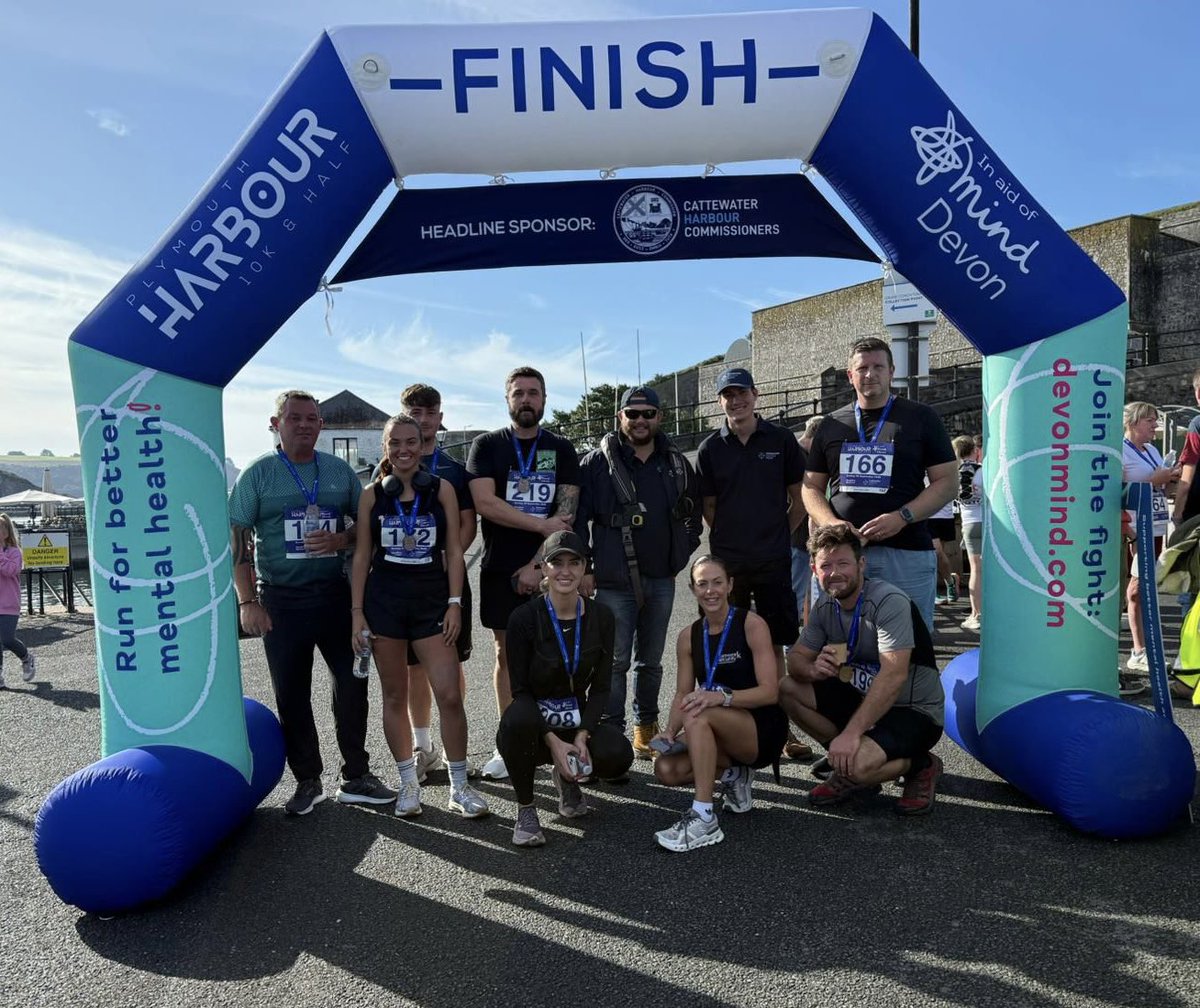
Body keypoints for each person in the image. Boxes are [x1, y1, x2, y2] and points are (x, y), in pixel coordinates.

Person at [229, 391, 395, 816]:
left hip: (335, 596)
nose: (304, 425)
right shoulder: (258, 475)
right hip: (281, 600)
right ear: (275, 423)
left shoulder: (339, 473)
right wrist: (247, 601)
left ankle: (356, 774)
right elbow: (237, 540)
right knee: (292, 693)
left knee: (353, 684)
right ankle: (307, 780)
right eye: (294, 418)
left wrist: (341, 538)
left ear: (321, 425)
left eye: (312, 419)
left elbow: (366, 528)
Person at [350, 414, 489, 818]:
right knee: (394, 695)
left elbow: (454, 551)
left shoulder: (442, 489)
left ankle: (459, 787)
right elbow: (362, 556)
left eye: (411, 442)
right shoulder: (371, 495)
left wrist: (454, 603)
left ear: (422, 444)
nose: (404, 450)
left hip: (432, 602)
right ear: (385, 449)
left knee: (448, 694)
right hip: (385, 604)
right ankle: (408, 783)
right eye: (396, 443)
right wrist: (357, 613)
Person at [781, 524, 945, 816]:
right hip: (864, 701)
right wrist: (812, 668)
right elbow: (795, 660)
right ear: (814, 568)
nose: (834, 572)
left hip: (911, 710)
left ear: (861, 564)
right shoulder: (824, 605)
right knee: (787, 688)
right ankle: (847, 761)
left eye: (843, 563)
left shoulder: (887, 601)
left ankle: (921, 765)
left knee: (859, 766)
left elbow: (893, 674)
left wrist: (851, 733)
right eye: (826, 565)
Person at [574, 385, 702, 758]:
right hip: (613, 580)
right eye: (633, 414)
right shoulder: (596, 464)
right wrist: (586, 568)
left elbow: (692, 514)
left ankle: (645, 725)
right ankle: (611, 732)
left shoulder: (676, 462)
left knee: (651, 661)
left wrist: (681, 553)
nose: (641, 420)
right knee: (613, 662)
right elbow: (579, 520)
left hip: (661, 577)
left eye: (648, 414)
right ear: (620, 417)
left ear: (659, 417)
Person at [468, 367, 580, 780]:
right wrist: (538, 527)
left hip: (551, 568)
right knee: (506, 655)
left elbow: (565, 512)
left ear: (545, 399)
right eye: (519, 393)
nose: (526, 399)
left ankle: (557, 739)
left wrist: (537, 566)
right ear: (507, 400)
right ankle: (511, 740)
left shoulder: (561, 448)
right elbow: (485, 503)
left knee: (557, 654)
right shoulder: (487, 446)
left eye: (534, 393)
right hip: (500, 568)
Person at [802, 336, 957, 634]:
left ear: (891, 371)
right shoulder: (831, 424)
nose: (869, 374)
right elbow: (810, 488)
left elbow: (947, 483)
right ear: (850, 375)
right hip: (841, 554)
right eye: (861, 368)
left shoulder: (921, 417)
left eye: (877, 366)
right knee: (837, 643)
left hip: (905, 552)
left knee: (907, 646)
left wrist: (903, 517)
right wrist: (832, 523)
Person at [696, 366, 807, 758]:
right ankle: (738, 726)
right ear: (720, 401)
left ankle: (782, 730)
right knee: (729, 642)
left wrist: (778, 532)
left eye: (741, 392)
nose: (735, 400)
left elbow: (799, 495)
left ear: (755, 395)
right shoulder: (711, 449)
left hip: (773, 559)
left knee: (773, 644)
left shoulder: (780, 439)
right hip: (729, 566)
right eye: (728, 394)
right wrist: (731, 539)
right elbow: (709, 506)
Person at [497, 531, 633, 846]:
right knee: (515, 723)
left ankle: (566, 777)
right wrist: (555, 744)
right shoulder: (524, 618)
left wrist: (583, 735)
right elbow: (520, 692)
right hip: (534, 717)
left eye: (575, 562)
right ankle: (526, 808)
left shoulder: (601, 616)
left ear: (585, 567)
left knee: (617, 752)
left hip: (574, 713)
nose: (566, 571)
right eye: (556, 563)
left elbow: (600, 689)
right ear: (543, 568)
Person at [651, 555, 787, 852]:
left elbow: (770, 692)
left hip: (760, 728)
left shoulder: (751, 624)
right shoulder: (688, 636)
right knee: (666, 769)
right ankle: (733, 775)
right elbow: (681, 694)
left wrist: (722, 698)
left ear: (730, 586)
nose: (710, 591)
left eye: (717, 583)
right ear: (693, 589)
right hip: (717, 725)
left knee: (699, 713)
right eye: (702, 584)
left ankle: (704, 817)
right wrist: (670, 731)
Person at [397, 383, 478, 782]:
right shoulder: (386, 473)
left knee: (452, 664)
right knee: (413, 669)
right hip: (405, 585)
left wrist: (447, 557)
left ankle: (452, 747)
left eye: (430, 413)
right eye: (415, 412)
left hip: (447, 581)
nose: (423, 420)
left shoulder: (454, 470)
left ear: (440, 418)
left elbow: (467, 525)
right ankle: (423, 745)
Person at [1121, 402, 1180, 689]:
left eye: (1156, 421)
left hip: (1156, 524)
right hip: (1134, 526)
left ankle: (1142, 647)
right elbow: (1117, 488)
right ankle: (1138, 650)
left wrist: (1169, 478)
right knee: (1137, 588)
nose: (1155, 426)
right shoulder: (1119, 450)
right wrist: (1154, 479)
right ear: (1133, 423)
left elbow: (1159, 484)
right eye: (1150, 421)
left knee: (1143, 587)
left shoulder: (1153, 450)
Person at [1171, 367, 1200, 619]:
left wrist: (1178, 513)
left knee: (1190, 581)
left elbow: (1187, 476)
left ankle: (1189, 650)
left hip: (1196, 516)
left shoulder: (1197, 424)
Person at [790, 416, 824, 628]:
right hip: (800, 535)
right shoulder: (802, 457)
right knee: (797, 589)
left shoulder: (795, 452)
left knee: (803, 589)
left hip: (799, 535)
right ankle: (792, 644)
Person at [954, 435, 985, 632]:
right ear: (975, 450)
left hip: (968, 522)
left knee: (976, 570)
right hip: (987, 521)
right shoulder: (983, 470)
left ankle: (976, 613)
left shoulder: (954, 472)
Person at [0, 513, 35, 688]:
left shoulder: (14, 552)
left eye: (2, 528)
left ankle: (26, 658)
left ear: (7, 531)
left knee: (6, 638)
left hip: (8, 603)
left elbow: (10, 571)